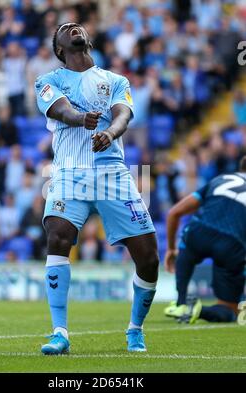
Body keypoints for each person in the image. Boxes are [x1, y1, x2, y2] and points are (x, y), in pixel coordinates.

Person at [35, 23, 159, 355]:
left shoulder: (117, 80)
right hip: (68, 173)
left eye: (78, 27)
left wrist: (111, 133)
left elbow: (123, 116)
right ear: (59, 48)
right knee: (57, 235)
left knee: (148, 258)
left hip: (112, 173)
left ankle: (135, 330)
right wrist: (79, 118)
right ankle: (60, 333)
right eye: (65, 29)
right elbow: (59, 109)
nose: (74, 29)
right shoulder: (49, 80)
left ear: (87, 40)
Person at [164, 156, 246, 324]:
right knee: (230, 311)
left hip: (200, 233)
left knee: (187, 241)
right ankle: (198, 310)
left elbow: (174, 213)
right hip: (232, 244)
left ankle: (181, 303)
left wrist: (171, 249)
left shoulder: (220, 179)